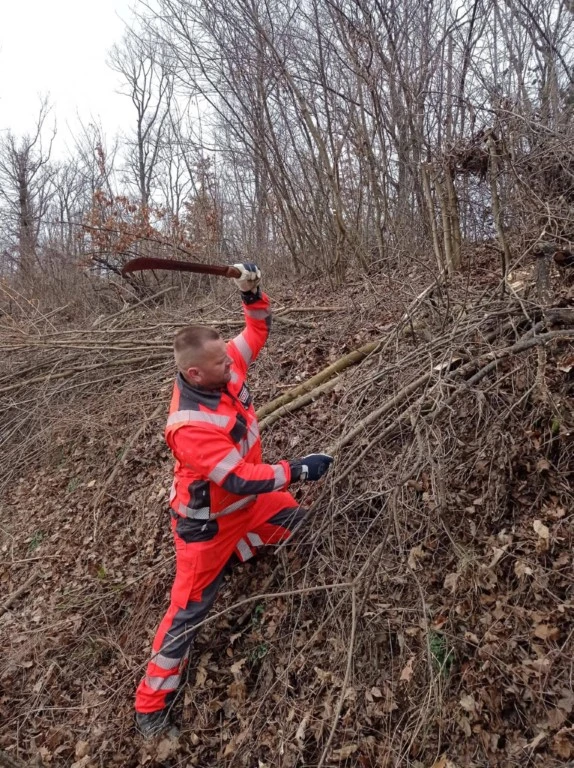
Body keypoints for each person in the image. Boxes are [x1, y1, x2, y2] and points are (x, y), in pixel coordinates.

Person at [134, 263, 333, 737]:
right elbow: (240, 478)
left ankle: (246, 549)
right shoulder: (188, 426)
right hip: (208, 528)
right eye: (223, 364)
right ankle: (150, 702)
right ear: (194, 372)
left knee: (307, 525)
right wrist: (298, 470)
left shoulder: (222, 368)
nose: (233, 365)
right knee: (187, 612)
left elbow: (257, 331)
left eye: (229, 359)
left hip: (250, 508)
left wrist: (252, 291)